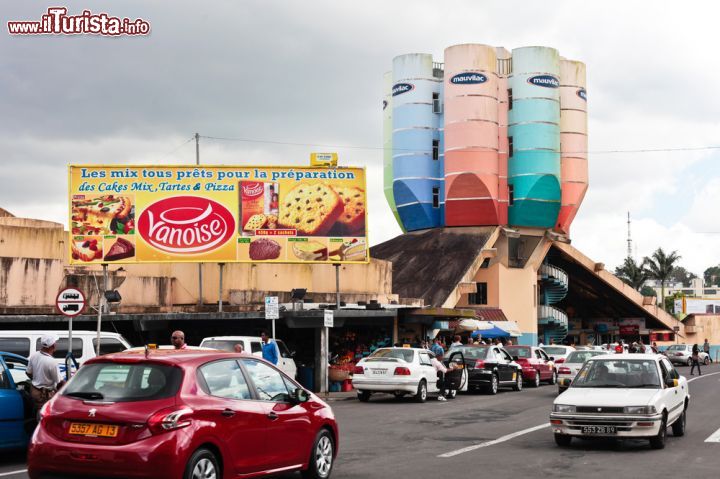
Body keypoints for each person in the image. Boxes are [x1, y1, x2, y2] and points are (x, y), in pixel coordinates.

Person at [26, 334, 64, 413]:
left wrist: (37, 379)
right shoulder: (52, 362)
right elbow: (59, 382)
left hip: (34, 391)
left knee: (37, 412)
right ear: (53, 345)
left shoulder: (34, 355)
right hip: (45, 395)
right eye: (55, 342)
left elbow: (28, 373)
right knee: (44, 414)